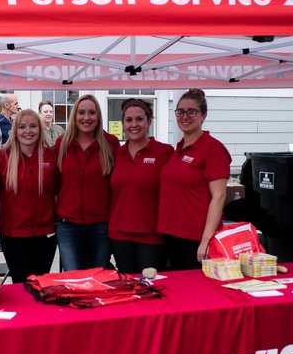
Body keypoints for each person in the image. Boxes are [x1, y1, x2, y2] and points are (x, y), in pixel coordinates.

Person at [158, 88, 232, 270]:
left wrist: (206, 240)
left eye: (191, 111)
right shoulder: (180, 147)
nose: (185, 116)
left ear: (203, 116)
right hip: (172, 234)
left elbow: (219, 197)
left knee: (197, 293)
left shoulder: (212, 149)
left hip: (196, 238)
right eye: (180, 111)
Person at [56, 94, 120, 271]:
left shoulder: (110, 144)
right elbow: (54, 183)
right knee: (75, 281)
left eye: (92, 113)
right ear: (74, 116)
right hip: (68, 226)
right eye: (81, 112)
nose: (86, 118)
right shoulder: (62, 144)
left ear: (98, 116)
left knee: (98, 278)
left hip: (101, 225)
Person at [109, 99, 173, 273]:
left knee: (150, 287)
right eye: (129, 120)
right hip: (119, 233)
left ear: (149, 122)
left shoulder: (164, 152)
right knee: (127, 287)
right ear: (123, 124)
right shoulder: (117, 153)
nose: (134, 124)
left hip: (152, 235)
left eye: (139, 119)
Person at [0, 109, 58, 283]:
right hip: (13, 235)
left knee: (41, 285)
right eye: (22, 127)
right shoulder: (2, 157)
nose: (27, 131)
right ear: (15, 130)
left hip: (45, 234)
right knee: (21, 286)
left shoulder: (51, 155)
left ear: (40, 129)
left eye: (33, 126)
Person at [0, 93, 20, 252]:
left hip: (13, 169)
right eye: (16, 103)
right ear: (7, 106)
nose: (18, 106)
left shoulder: (15, 121)